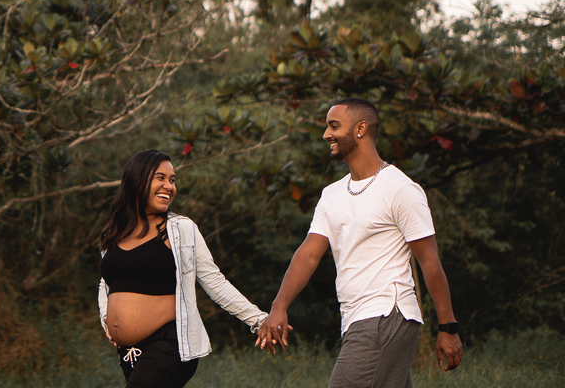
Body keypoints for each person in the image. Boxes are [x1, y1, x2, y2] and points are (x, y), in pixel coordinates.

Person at [257, 97, 465, 387]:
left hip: (385, 315)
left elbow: (429, 261)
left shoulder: (400, 189)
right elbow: (309, 255)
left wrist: (448, 327)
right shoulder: (332, 195)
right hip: (356, 318)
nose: (326, 134)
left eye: (334, 126)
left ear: (361, 129)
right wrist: (279, 305)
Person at [98, 149, 267, 388]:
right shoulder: (113, 233)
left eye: (172, 180)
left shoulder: (180, 230)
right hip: (130, 352)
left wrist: (259, 320)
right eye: (161, 178)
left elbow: (215, 282)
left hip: (168, 343)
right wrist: (105, 316)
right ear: (137, 180)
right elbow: (106, 284)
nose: (169, 186)